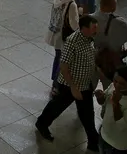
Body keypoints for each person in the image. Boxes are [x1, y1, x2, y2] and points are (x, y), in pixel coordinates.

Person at [35, 15, 100, 151]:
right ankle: (42, 123)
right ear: (83, 29)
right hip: (69, 85)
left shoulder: (90, 39)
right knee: (56, 107)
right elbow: (63, 66)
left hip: (85, 84)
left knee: (87, 113)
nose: (96, 30)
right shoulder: (72, 42)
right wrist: (73, 87)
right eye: (94, 28)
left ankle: (93, 141)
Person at [91, 0, 127, 84]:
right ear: (114, 7)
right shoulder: (120, 24)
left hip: (91, 62)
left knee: (87, 91)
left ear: (100, 3)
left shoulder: (88, 19)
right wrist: (123, 54)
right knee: (111, 91)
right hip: (111, 66)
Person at [95, 66, 127, 154]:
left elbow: (122, 126)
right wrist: (99, 97)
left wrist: (116, 103)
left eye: (121, 83)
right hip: (104, 135)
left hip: (117, 145)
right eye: (115, 81)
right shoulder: (112, 87)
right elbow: (103, 102)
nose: (116, 85)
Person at [45, 0, 80, 87]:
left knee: (58, 56)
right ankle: (56, 83)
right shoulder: (71, 4)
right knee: (63, 60)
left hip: (54, 33)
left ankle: (54, 80)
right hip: (63, 37)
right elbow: (74, 25)